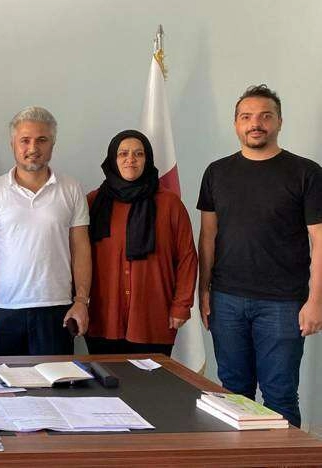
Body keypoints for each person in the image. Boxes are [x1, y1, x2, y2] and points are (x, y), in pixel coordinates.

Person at [198, 84, 322, 428]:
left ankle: (284, 457)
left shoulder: (306, 173)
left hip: (283, 303)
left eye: (265, 116)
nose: (256, 123)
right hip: (226, 300)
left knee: (279, 395)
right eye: (247, 117)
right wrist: (203, 291)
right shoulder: (216, 172)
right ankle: (238, 456)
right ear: (236, 124)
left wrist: (316, 301)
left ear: (279, 122)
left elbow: (319, 240)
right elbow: (207, 237)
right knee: (232, 394)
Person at [0, 106, 91, 355]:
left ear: (52, 145)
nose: (33, 148)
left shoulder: (71, 188)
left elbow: (81, 248)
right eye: (25, 140)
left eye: (42, 140)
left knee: (55, 379)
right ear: (12, 144)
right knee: (1, 380)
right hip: (1, 309)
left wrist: (81, 301)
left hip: (56, 309)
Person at [86, 130, 197, 355]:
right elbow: (77, 256)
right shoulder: (93, 202)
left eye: (138, 153)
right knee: (105, 377)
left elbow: (186, 257)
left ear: (148, 159)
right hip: (104, 317)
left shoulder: (169, 203)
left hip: (153, 318)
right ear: (112, 159)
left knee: (151, 378)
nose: (131, 159)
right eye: (123, 153)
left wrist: (181, 305)